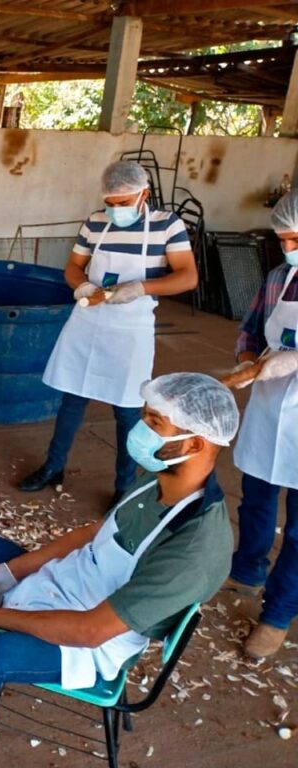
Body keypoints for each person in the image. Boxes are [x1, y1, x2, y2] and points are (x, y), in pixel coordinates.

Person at [0, 373, 237, 703]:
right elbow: (93, 533)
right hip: (62, 579)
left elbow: (91, 631)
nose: (140, 429)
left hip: (88, 642)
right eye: (144, 416)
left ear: (194, 444)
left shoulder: (193, 548)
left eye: (154, 422)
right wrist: (10, 572)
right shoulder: (158, 476)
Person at [20, 161, 198, 506]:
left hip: (131, 328)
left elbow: (187, 276)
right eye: (110, 203)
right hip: (89, 321)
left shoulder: (166, 225)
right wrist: (84, 286)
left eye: (124, 202)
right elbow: (73, 267)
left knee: (127, 408)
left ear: (144, 194)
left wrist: (141, 287)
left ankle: (123, 486)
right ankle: (53, 467)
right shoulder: (95, 222)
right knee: (73, 398)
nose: (116, 210)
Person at [224, 191, 298, 658]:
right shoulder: (277, 278)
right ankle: (247, 569)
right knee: (256, 499)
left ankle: (278, 613)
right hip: (269, 408)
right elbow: (251, 329)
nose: (287, 248)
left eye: (295, 240)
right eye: (283, 239)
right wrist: (250, 360)